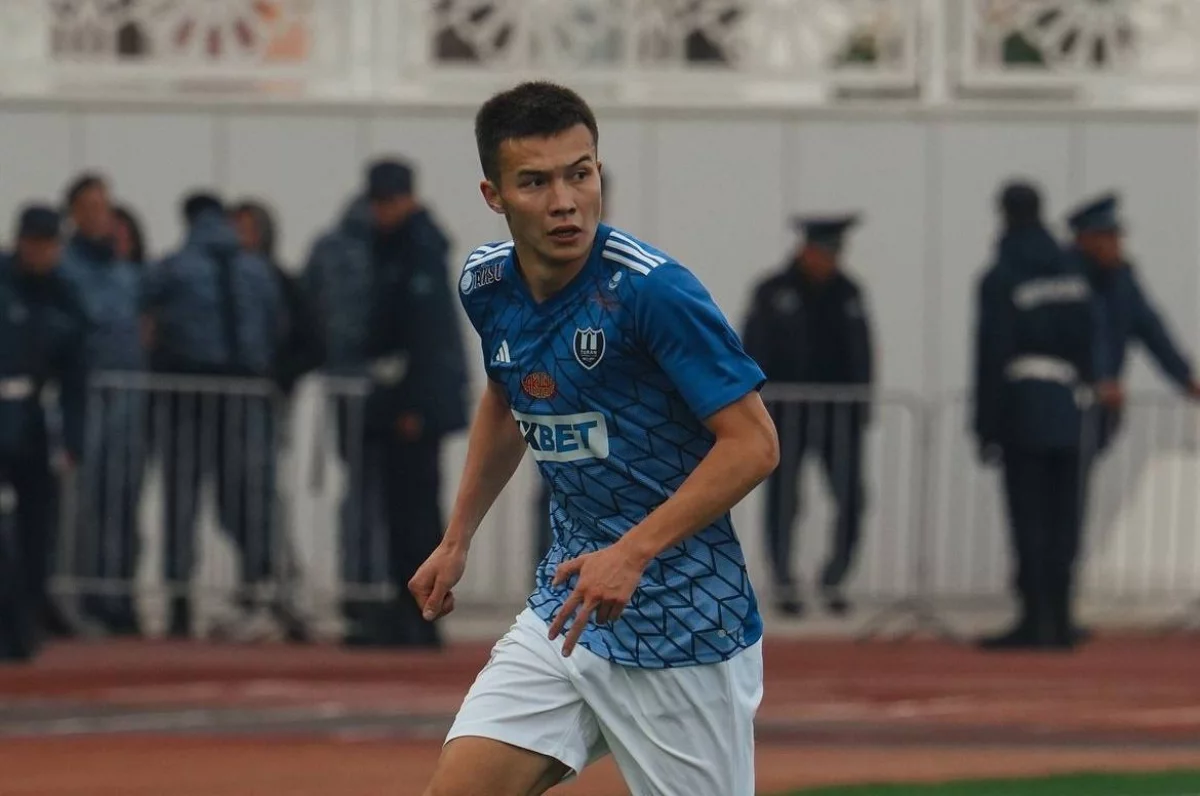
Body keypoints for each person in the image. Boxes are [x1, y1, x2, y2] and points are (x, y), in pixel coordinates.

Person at [409, 81, 779, 796]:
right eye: (535, 182)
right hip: (566, 610)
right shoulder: (486, 284)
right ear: (494, 195)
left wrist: (631, 553)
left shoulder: (653, 292)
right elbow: (506, 395)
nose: (565, 201)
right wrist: (457, 539)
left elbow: (754, 444)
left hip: (683, 624)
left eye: (580, 174)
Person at [972, 181, 1112, 651]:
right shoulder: (1072, 272)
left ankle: (1036, 620)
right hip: (1072, 409)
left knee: (1030, 519)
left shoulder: (1002, 274)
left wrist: (985, 425)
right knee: (1065, 519)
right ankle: (1062, 617)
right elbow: (1092, 339)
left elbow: (991, 352)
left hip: (1024, 409)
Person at [142, 191, 283, 637]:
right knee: (246, 495)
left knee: (182, 499)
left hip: (186, 395)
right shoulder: (254, 268)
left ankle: (179, 598)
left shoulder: (175, 267)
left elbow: (143, 308)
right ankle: (256, 583)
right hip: (245, 394)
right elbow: (276, 325)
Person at [344, 158, 470, 648]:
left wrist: (416, 406)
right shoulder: (399, 247)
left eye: (388, 201)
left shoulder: (417, 251)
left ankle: (420, 613)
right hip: (401, 404)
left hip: (412, 408)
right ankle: (408, 607)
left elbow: (427, 335)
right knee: (401, 512)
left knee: (415, 513)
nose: (381, 211)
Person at [742, 214, 873, 617]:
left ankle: (834, 578)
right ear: (805, 250)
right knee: (784, 501)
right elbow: (752, 350)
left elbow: (863, 354)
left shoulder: (848, 292)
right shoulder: (773, 291)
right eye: (823, 251)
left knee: (852, 498)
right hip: (784, 416)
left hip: (839, 416)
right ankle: (784, 581)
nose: (830, 260)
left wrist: (862, 410)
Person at [59, 173, 147, 636]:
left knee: (123, 499)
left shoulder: (126, 271)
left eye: (105, 206)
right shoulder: (65, 268)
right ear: (74, 213)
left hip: (128, 397)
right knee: (84, 501)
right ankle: (78, 595)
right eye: (91, 207)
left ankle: (117, 593)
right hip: (86, 395)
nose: (101, 216)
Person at [0, 205, 88, 660]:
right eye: (36, 242)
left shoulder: (64, 295)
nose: (42, 252)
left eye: (50, 244)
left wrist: (73, 440)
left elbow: (76, 375)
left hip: (33, 419)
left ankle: (25, 625)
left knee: (37, 529)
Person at [1065, 192, 1200, 455]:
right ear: (1086, 239)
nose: (1117, 244)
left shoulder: (1122, 283)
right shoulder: (1065, 280)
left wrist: (1186, 379)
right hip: (1065, 401)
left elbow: (1153, 333)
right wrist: (1099, 379)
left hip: (1104, 408)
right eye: (1109, 237)